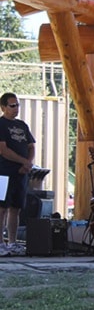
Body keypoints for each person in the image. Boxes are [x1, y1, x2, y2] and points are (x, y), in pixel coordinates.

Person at [0, 93, 35, 257]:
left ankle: (13, 242)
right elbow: (3, 150)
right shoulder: (1, 124)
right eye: (12, 106)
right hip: (4, 172)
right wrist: (23, 161)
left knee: (16, 208)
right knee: (2, 208)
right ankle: (1, 242)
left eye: (17, 105)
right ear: (3, 107)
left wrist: (28, 162)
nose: (16, 109)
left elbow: (31, 146)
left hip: (22, 173)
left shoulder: (22, 125)